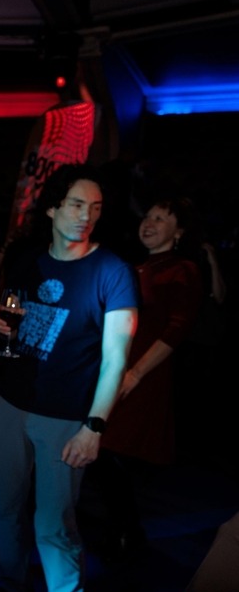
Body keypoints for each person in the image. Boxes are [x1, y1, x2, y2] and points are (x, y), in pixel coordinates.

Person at [0, 164, 138, 592]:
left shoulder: (112, 272)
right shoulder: (28, 262)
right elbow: (14, 321)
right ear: (53, 208)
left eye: (96, 208)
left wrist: (94, 426)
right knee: (5, 507)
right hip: (12, 404)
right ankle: (14, 589)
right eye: (77, 205)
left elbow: (115, 361)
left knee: (53, 523)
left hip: (65, 417)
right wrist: (2, 326)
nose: (87, 216)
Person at [89, 198, 202, 560]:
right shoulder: (135, 268)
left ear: (178, 231)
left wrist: (136, 373)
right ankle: (124, 530)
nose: (149, 223)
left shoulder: (182, 269)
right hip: (118, 368)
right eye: (148, 216)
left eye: (161, 218)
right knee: (102, 449)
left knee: (108, 447)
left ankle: (125, 532)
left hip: (144, 374)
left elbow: (177, 329)